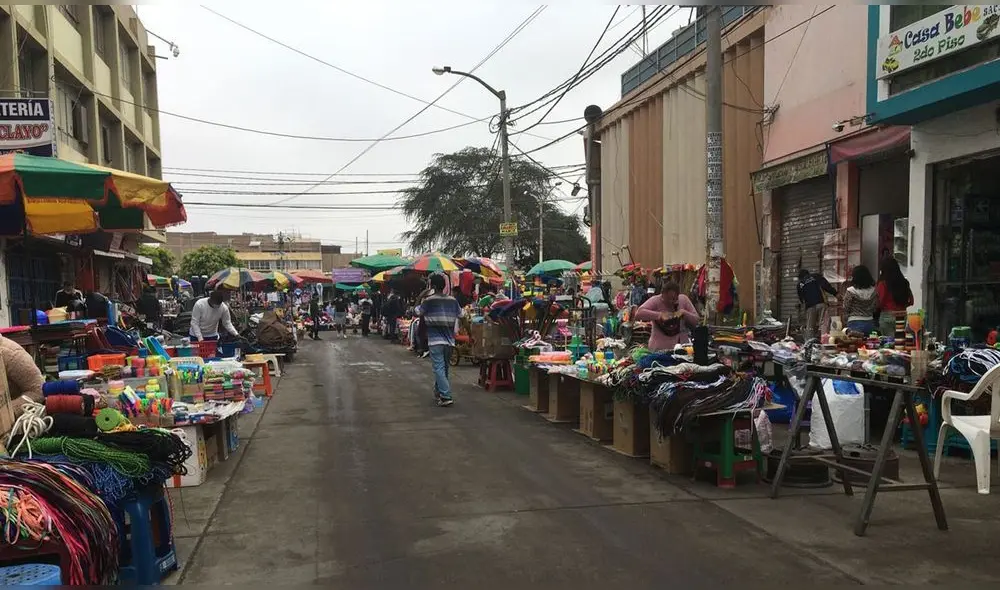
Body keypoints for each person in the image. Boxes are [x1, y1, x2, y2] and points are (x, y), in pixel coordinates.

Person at [421, 274, 463, 407]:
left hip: (435, 340)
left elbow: (417, 312)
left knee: (439, 368)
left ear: (432, 286)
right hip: (449, 340)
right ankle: (439, 391)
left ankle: (446, 396)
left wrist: (421, 296)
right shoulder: (453, 300)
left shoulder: (428, 301)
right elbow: (462, 316)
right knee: (444, 368)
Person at [634, 281, 700, 351]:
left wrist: (684, 313)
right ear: (662, 295)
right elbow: (638, 314)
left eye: (674, 298)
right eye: (668, 298)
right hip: (660, 348)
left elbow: (696, 320)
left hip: (682, 347)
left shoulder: (683, 300)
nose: (671, 301)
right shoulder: (655, 300)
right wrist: (659, 315)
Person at [876, 257, 913, 337]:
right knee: (899, 341)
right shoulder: (904, 282)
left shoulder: (883, 284)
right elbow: (911, 301)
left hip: (887, 315)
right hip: (902, 315)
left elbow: (880, 302)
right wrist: (902, 307)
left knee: (888, 342)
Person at [797, 269, 838, 341]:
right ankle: (824, 341)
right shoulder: (816, 277)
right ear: (808, 273)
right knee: (823, 324)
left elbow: (801, 299)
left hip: (810, 306)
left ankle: (809, 342)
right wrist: (836, 294)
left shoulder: (800, 284)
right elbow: (826, 286)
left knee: (810, 326)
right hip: (821, 303)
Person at [843, 265, 878, 335]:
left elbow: (846, 307)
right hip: (869, 321)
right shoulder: (874, 291)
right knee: (869, 344)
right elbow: (874, 307)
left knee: (855, 343)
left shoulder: (851, 291)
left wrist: (845, 321)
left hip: (854, 321)